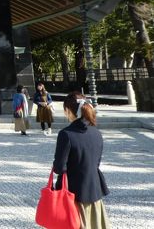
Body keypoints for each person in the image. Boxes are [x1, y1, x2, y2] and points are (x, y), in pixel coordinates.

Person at [53, 92, 110, 229]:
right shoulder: (96, 133)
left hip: (73, 194)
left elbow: (59, 168)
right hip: (94, 191)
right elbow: (96, 163)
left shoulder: (66, 134)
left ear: (68, 111)